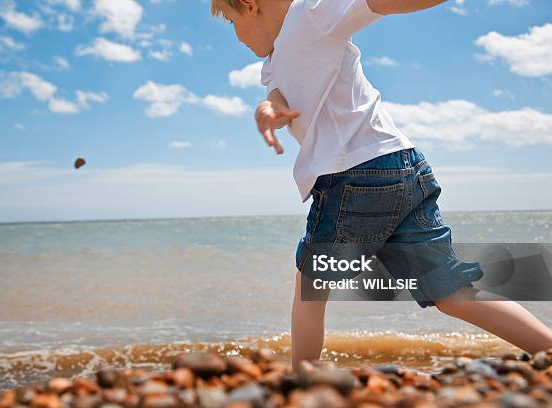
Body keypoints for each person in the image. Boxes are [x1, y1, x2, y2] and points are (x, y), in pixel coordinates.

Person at [210, 0, 552, 370]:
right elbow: (277, 99)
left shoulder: (309, 15)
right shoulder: (274, 63)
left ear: (250, 5)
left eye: (231, 21)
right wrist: (268, 112)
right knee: (450, 290)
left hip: (358, 175)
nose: (235, 34)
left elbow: (376, 3)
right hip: (404, 167)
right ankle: (546, 346)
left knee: (312, 282)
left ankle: (301, 375)